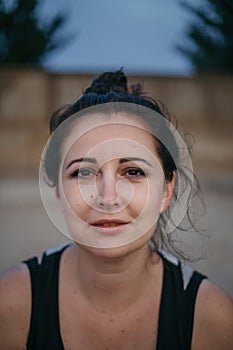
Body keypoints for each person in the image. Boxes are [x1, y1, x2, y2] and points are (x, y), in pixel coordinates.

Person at [0, 69, 232, 350]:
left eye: (133, 171)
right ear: (60, 193)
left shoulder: (212, 316)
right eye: (83, 173)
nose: (108, 198)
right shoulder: (12, 303)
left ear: (166, 191)